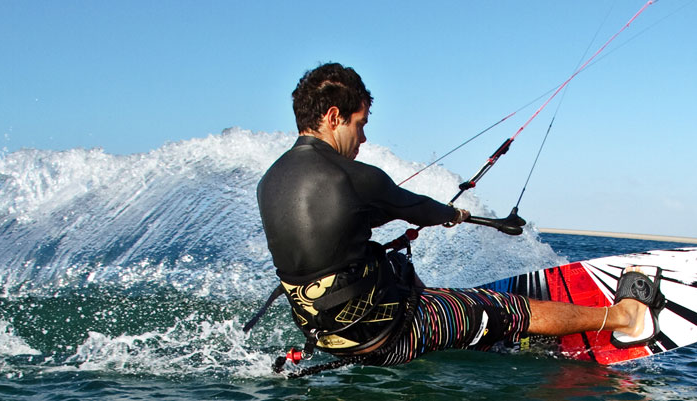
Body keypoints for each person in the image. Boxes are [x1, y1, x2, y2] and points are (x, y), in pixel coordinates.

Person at [257, 62, 665, 366]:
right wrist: (455, 214)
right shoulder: (352, 176)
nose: (363, 138)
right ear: (332, 117)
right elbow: (420, 208)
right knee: (508, 308)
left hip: (327, 337)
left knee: (397, 263)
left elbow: (332, 236)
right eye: (359, 124)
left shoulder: (270, 183)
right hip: (387, 338)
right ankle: (625, 317)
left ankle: (450, 316)